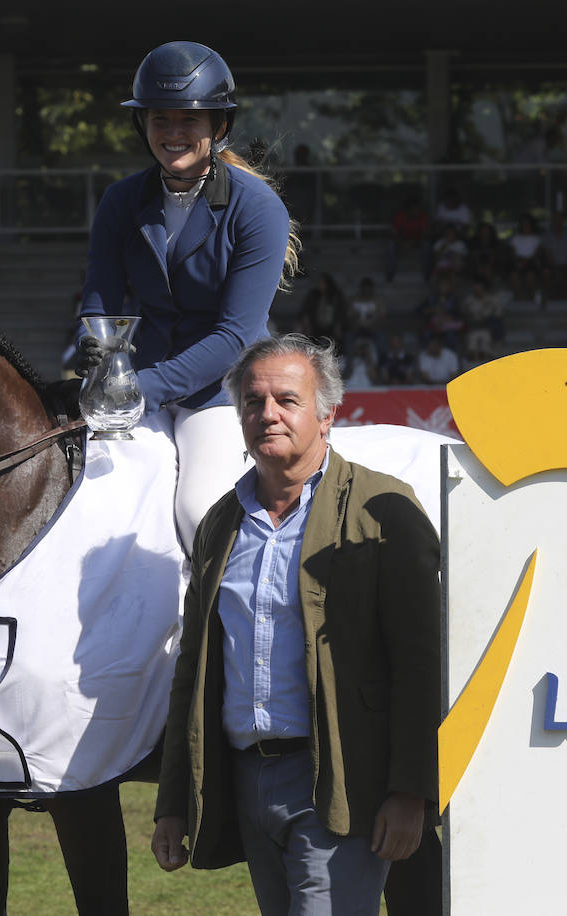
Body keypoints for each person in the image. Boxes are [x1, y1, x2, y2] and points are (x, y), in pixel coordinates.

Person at [151, 334, 441, 916]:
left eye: (287, 399)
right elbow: (194, 671)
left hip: (340, 782)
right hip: (246, 782)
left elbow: (421, 662)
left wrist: (412, 792)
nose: (268, 415)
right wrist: (172, 803)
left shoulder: (385, 508)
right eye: (253, 403)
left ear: (328, 413)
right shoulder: (219, 524)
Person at [76, 40, 300, 552]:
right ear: (143, 126)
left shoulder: (257, 208)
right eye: (160, 120)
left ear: (219, 126)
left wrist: (140, 388)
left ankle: (218, 627)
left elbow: (237, 335)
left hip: (221, 389)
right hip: (136, 381)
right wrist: (92, 344)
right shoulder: (121, 200)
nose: (173, 133)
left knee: (199, 509)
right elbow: (100, 298)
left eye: (189, 121)